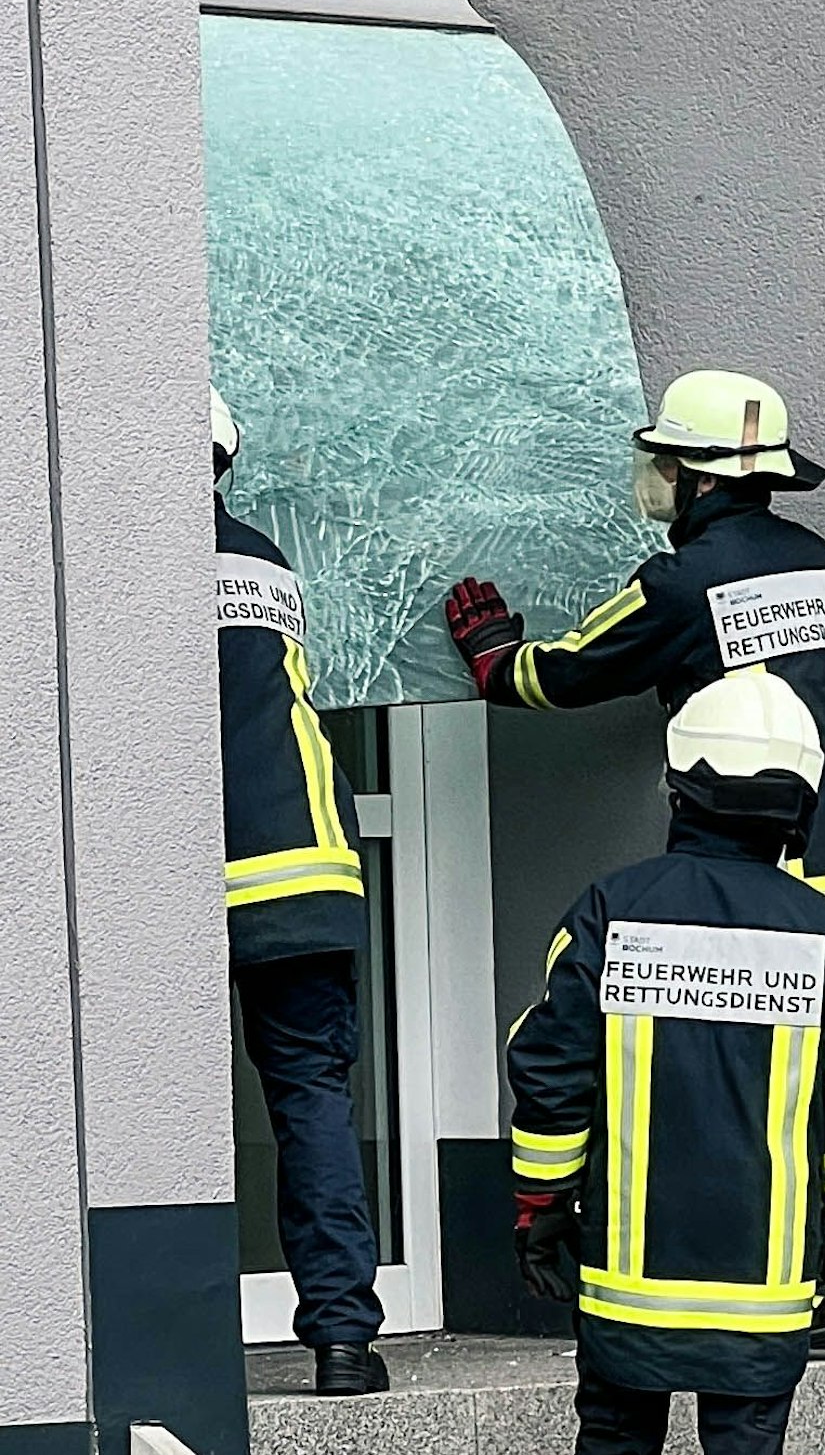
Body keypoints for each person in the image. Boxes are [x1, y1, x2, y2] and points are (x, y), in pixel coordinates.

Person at [446, 369, 825, 1348]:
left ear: (694, 477)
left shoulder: (686, 580)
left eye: (659, 459)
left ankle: (723, 1300)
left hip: (752, 880)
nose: (646, 474)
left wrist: (492, 657)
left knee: (718, 1083)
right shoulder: (816, 561)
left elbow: (569, 671)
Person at [506, 671, 825, 1455]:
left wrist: (539, 1207)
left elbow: (552, 1072)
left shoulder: (610, 912)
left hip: (627, 1285)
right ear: (802, 804)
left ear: (679, 787)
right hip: (762, 1292)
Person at [213, 387, 389, 1395]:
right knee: (312, 1101)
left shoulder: (125, 562)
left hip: (203, 873)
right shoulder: (265, 563)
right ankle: (342, 1342)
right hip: (313, 867)